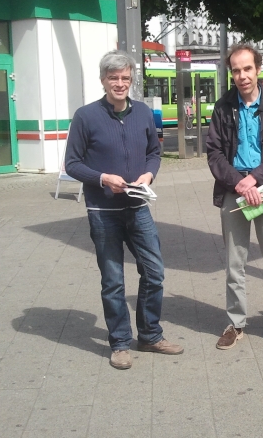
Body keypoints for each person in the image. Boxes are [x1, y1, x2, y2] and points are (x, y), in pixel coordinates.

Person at [65, 50, 184, 370]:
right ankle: (119, 343)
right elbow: (72, 164)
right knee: (113, 279)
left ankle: (149, 335)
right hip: (102, 210)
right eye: (113, 78)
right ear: (103, 80)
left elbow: (153, 153)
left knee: (154, 271)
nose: (120, 83)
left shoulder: (143, 113)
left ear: (131, 80)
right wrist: (102, 178)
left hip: (137, 205)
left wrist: (148, 174)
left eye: (125, 78)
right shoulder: (85, 116)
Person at [207, 43, 263, 352]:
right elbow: (215, 154)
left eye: (247, 68)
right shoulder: (223, 107)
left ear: (259, 69)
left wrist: (255, 179)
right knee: (235, 262)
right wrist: (241, 183)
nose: (242, 75)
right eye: (236, 70)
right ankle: (236, 322)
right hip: (236, 190)